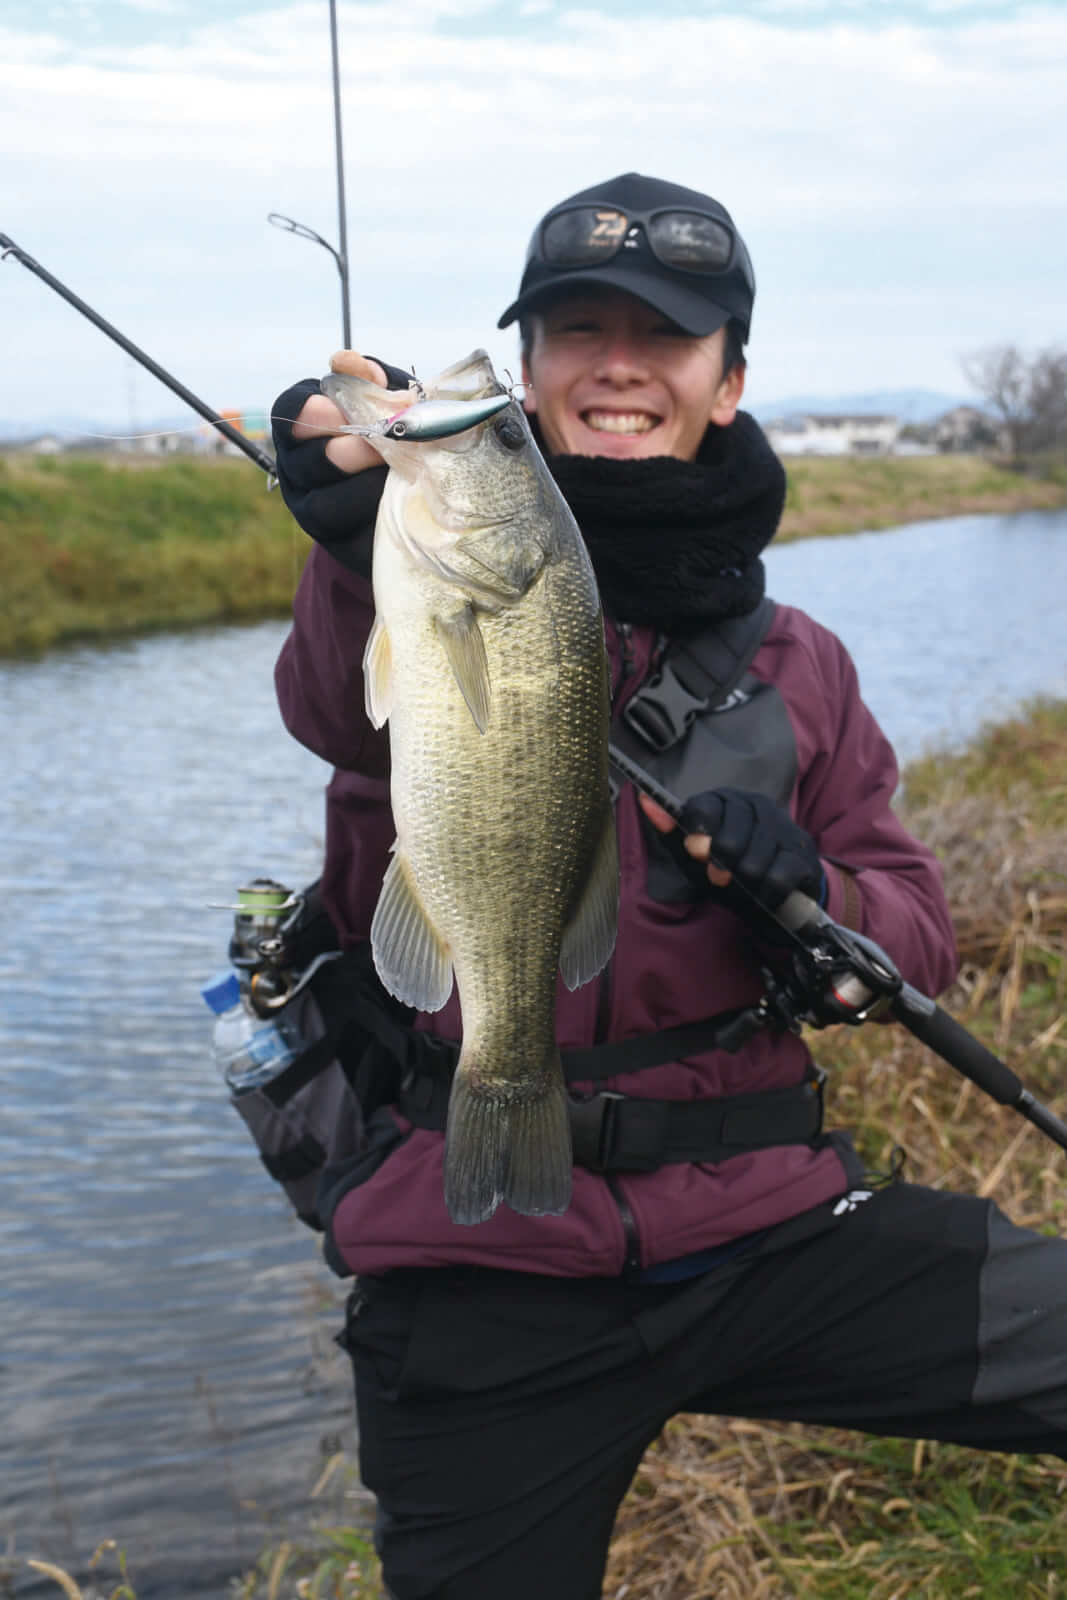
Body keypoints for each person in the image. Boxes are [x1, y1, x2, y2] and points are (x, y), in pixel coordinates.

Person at [269, 173, 1067, 1600]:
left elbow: (919, 933)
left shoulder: (800, 658)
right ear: (524, 373)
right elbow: (341, 711)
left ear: (730, 379)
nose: (619, 362)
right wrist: (344, 541)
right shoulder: (412, 561)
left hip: (769, 1223)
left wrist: (818, 889)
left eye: (666, 333)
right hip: (480, 1267)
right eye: (577, 327)